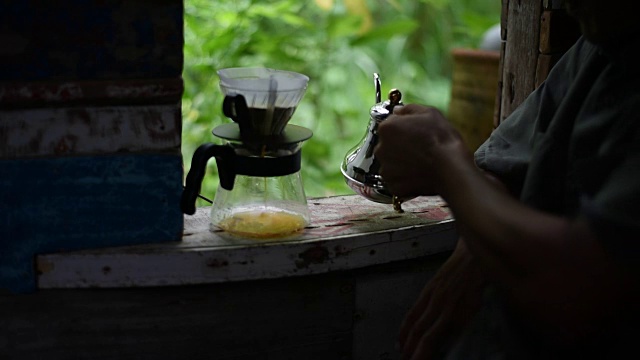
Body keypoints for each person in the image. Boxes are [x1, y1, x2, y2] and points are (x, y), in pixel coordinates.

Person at [373, 1, 640, 359]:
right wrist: (480, 246)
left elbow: (582, 292)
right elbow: (506, 162)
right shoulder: (598, 48)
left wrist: (442, 159)